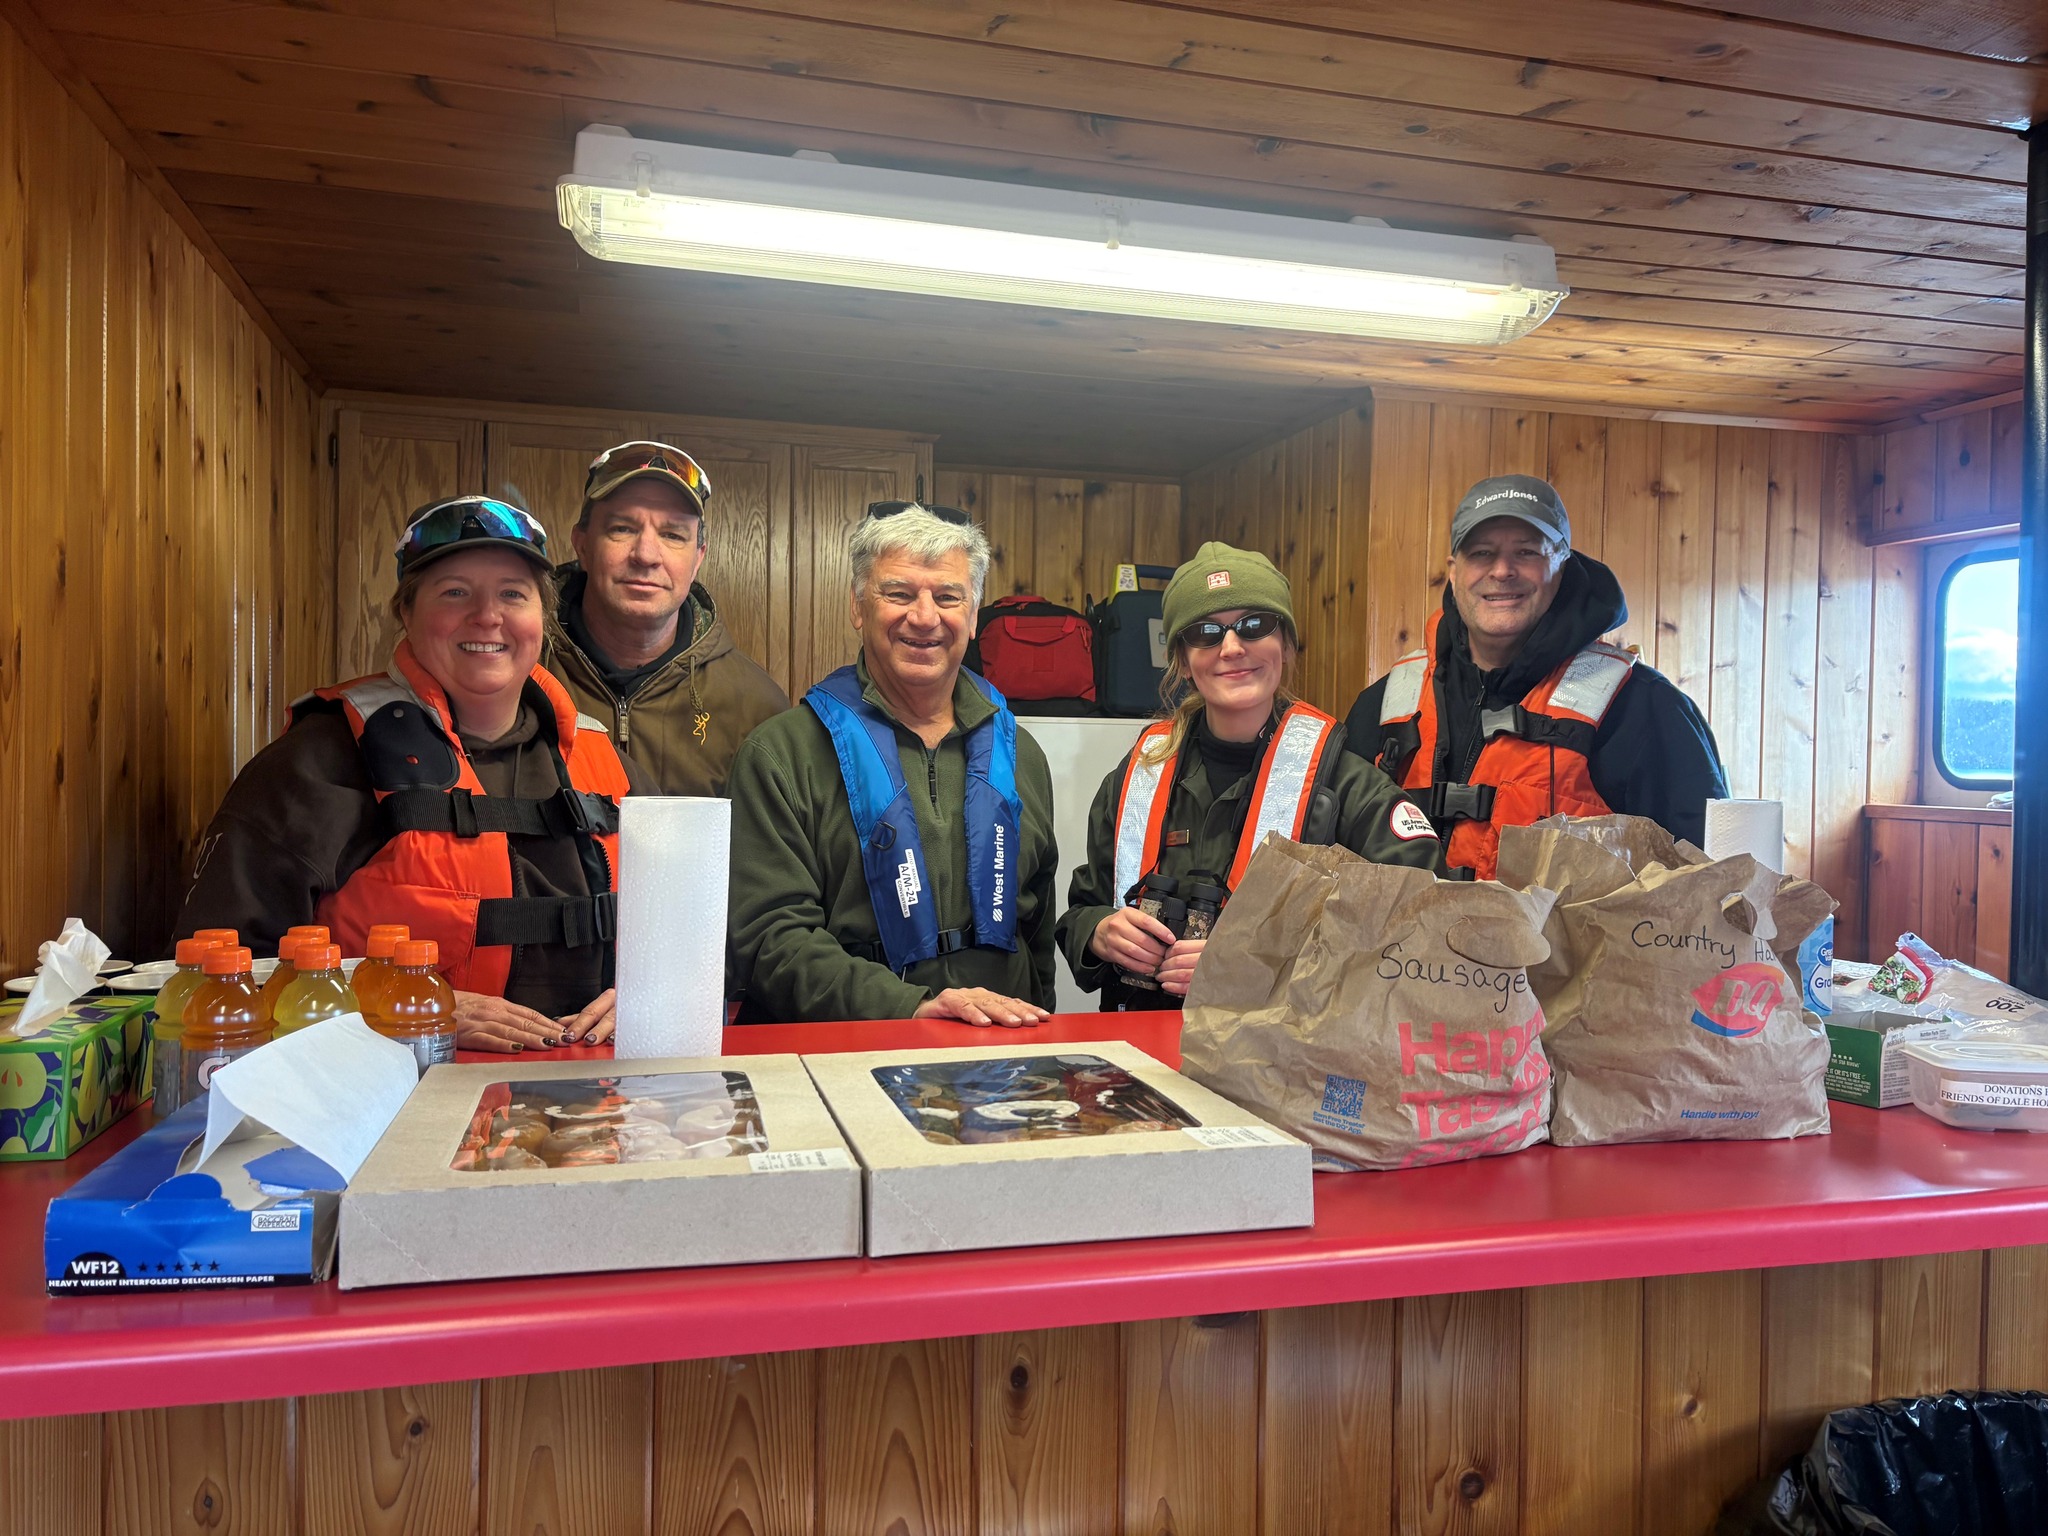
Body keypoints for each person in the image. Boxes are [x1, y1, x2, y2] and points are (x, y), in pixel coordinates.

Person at [176, 496, 650, 1050]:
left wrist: (649, 992)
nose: (488, 616)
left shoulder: (608, 761)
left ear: (541, 617)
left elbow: (693, 937)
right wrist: (404, 1008)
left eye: (512, 594)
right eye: (455, 592)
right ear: (406, 611)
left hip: (595, 1084)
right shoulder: (320, 758)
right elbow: (214, 978)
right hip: (400, 1084)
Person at [1059, 543, 1443, 1007]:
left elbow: (1420, 934)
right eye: (1205, 632)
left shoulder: (1350, 790)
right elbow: (1083, 908)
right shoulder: (1137, 778)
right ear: (1182, 660)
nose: (1232, 648)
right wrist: (1098, 932)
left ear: (1285, 644)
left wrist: (1262, 966)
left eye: (1254, 625)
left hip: (1282, 1049)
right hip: (1137, 1043)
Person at [726, 501, 1059, 1025]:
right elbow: (769, 939)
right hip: (843, 1048)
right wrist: (910, 1008)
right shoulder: (780, 755)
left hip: (998, 1049)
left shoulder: (1022, 756)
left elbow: (1036, 930)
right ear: (858, 607)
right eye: (899, 594)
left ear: (973, 615)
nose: (924, 617)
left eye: (947, 597)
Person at [1345, 474, 1728, 879]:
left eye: (1527, 552)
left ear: (1562, 564)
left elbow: (1706, 889)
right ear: (1454, 572)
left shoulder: (1647, 711)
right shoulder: (1383, 705)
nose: (1502, 570)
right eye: (1482, 553)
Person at [543, 440, 788, 796]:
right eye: (622, 528)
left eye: (672, 535)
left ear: (698, 557)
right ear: (582, 544)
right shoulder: (517, 679)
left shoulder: (757, 708)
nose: (646, 555)